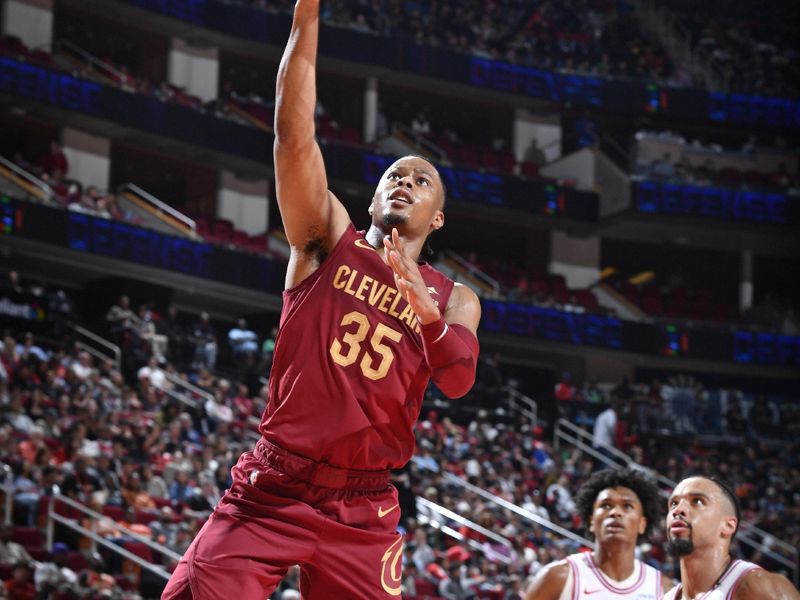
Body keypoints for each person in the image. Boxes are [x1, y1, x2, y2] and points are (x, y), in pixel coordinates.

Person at [161, 1, 480, 598]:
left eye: (420, 179)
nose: (404, 181)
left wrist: (429, 315)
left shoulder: (455, 297)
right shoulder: (328, 239)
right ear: (372, 199)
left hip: (363, 504)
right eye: (394, 174)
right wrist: (305, 17)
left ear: (437, 218)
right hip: (275, 482)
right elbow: (293, 134)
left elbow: (459, 381)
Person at [525, 468, 672, 599]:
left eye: (627, 506)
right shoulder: (557, 578)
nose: (615, 512)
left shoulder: (663, 590)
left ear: (642, 524)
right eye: (606, 505)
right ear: (591, 521)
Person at [663, 475, 799, 600]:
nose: (677, 510)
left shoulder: (762, 588)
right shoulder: (665, 597)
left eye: (697, 501)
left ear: (728, 526)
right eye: (673, 503)